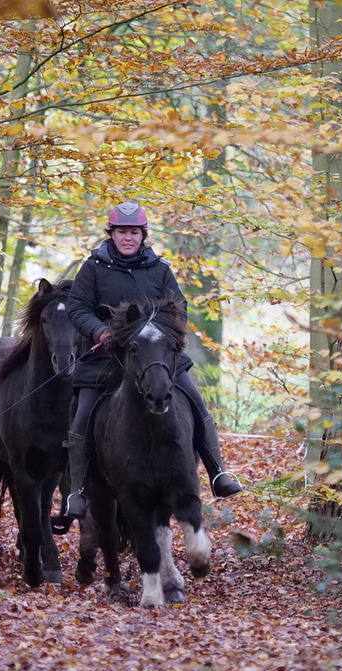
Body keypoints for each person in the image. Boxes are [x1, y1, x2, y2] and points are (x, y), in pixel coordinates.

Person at [62, 201, 242, 520]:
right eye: (121, 232)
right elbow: (77, 307)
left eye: (133, 232)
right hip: (107, 356)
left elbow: (178, 308)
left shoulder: (159, 268)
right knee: (82, 416)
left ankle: (218, 472)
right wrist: (100, 331)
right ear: (112, 234)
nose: (128, 238)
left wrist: (158, 333)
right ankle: (77, 490)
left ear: (142, 235)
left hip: (155, 355)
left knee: (197, 403)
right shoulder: (92, 267)